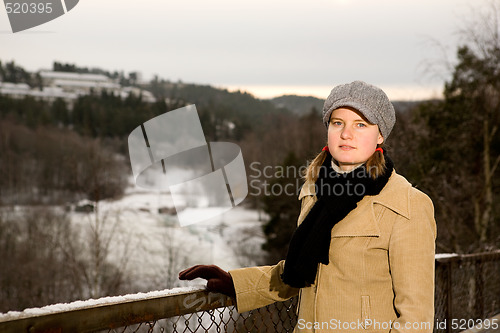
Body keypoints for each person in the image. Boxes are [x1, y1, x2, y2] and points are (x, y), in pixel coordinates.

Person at [179, 81, 437, 333]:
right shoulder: (315, 193)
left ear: (380, 134)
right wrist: (235, 283)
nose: (346, 134)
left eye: (361, 124)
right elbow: (298, 271)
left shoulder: (407, 205)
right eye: (338, 123)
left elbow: (416, 318)